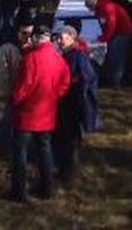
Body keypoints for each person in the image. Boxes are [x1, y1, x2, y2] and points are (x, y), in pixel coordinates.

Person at [9, 25, 70, 202]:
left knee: (20, 153)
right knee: (45, 150)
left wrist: (14, 100)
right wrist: (54, 96)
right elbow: (65, 82)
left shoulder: (31, 59)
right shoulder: (58, 58)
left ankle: (19, 191)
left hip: (27, 114)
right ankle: (47, 187)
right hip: (47, 112)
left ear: (36, 38)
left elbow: (24, 87)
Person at [0, 22, 34, 156]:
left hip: (31, 94)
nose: (27, 38)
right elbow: (2, 73)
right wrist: (9, 92)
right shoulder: (8, 49)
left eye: (30, 35)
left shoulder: (35, 49)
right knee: (8, 121)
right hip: (15, 93)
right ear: (17, 33)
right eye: (24, 34)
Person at [54, 26, 98, 182]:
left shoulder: (77, 56)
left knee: (69, 138)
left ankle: (68, 172)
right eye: (58, 38)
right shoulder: (68, 54)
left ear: (72, 38)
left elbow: (84, 80)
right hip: (68, 101)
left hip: (72, 103)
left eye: (62, 37)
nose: (59, 41)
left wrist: (74, 92)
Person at [86, 0, 132, 88]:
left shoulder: (106, 8)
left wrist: (103, 39)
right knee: (113, 54)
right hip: (117, 31)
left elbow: (110, 26)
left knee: (116, 56)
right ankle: (112, 77)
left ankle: (116, 81)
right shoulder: (101, 7)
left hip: (123, 32)